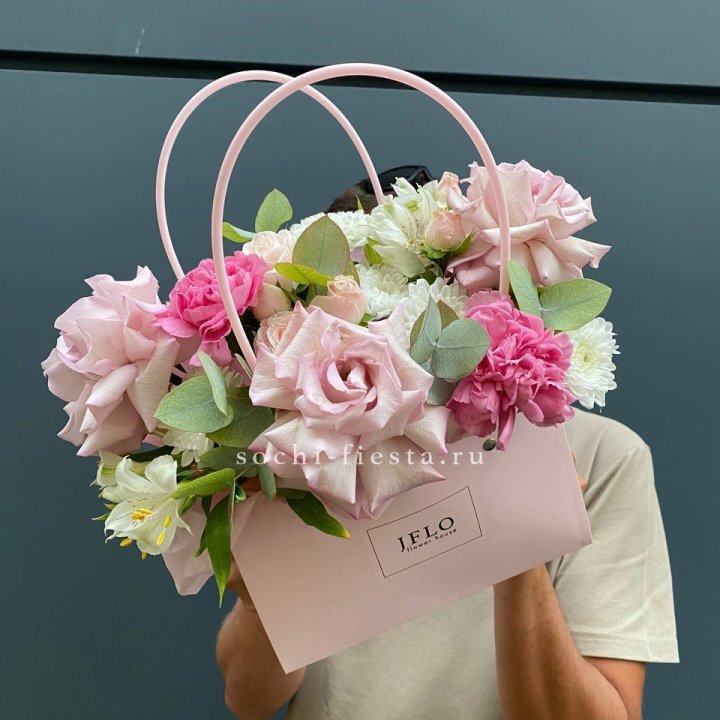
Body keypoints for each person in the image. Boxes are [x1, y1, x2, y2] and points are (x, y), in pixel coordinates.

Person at [216, 168, 679, 720]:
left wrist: (519, 541)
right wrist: (262, 599)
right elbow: (248, 701)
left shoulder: (601, 459)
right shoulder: (303, 457)